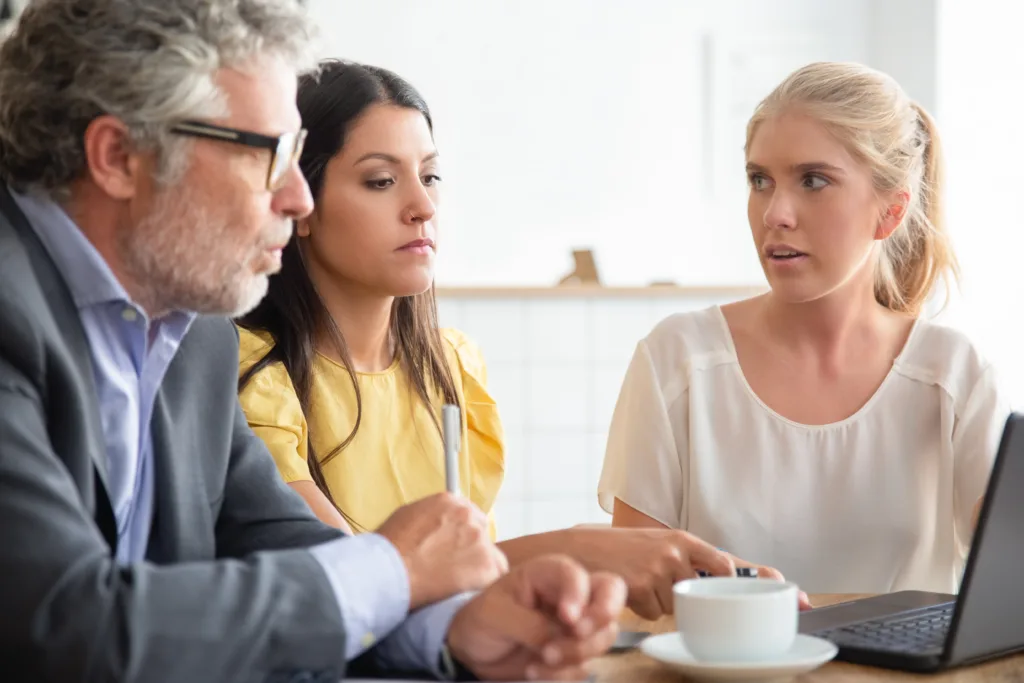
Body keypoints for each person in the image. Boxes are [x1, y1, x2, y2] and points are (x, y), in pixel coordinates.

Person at [0, 2, 628, 681]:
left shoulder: (193, 333)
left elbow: (277, 540)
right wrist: (395, 566)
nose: (300, 198)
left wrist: (452, 627)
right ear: (119, 157)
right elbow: (63, 626)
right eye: (271, 154)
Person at [236, 59, 807, 621]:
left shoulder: (451, 365)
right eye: (381, 181)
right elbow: (356, 581)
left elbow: (466, 590)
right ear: (302, 201)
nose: (423, 207)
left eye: (430, 175)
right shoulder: (253, 374)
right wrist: (578, 549)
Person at [599, 61, 1012, 595]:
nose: (775, 213)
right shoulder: (675, 360)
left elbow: (1008, 588)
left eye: (813, 180)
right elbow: (633, 598)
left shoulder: (955, 375)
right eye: (759, 181)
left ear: (889, 213)